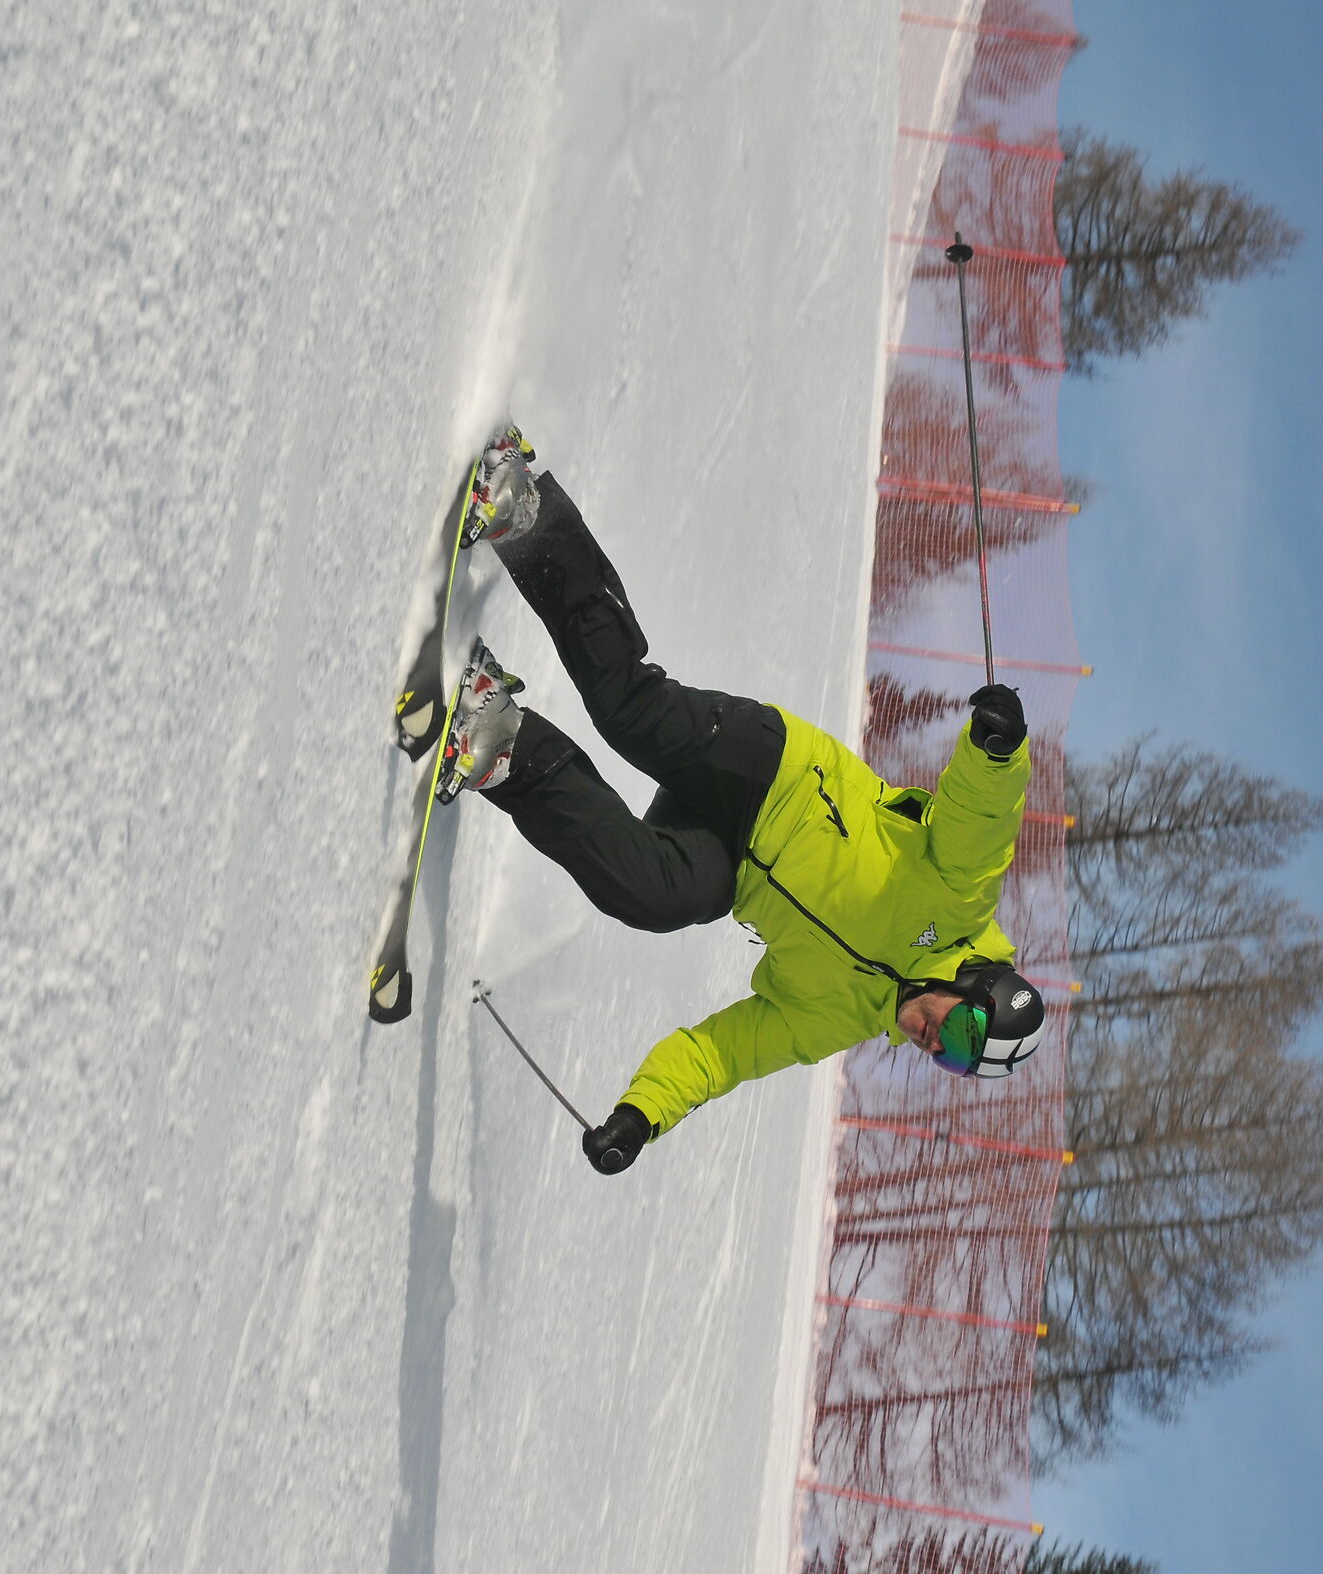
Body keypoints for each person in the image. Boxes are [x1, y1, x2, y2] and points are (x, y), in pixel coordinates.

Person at [440, 426, 1047, 1175]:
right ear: (976, 985)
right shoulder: (960, 899)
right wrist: (998, 749)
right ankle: (524, 510)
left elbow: (725, 1054)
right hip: (771, 773)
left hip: (733, 862)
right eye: (958, 1037)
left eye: (951, 1062)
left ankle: (502, 741)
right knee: (628, 710)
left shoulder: (837, 1020)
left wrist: (643, 1115)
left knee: (654, 896)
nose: (935, 1046)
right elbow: (981, 818)